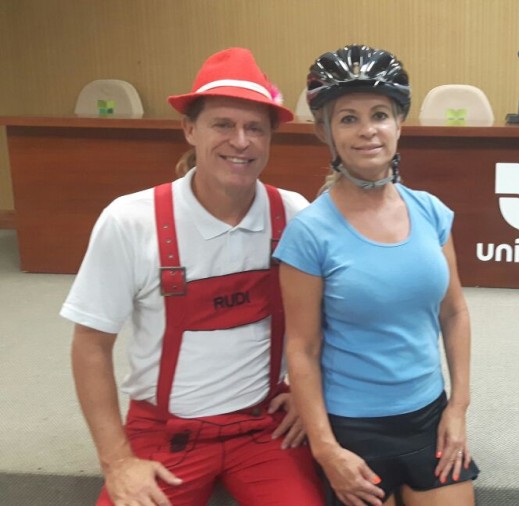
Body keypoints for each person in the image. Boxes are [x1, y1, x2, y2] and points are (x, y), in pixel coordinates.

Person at [62, 47, 325, 506]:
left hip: (265, 428)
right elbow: (90, 344)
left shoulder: (293, 213)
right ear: (189, 129)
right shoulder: (131, 220)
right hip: (163, 433)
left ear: (269, 138)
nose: (240, 141)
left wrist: (311, 399)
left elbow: (324, 319)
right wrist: (117, 461)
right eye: (223, 124)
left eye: (255, 128)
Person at [274, 45, 479, 506]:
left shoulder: (431, 212)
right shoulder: (309, 232)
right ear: (325, 131)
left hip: (428, 416)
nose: (367, 130)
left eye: (380, 115)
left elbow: (454, 313)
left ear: (399, 123)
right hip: (353, 428)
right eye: (348, 118)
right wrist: (326, 449)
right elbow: (302, 348)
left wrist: (458, 408)